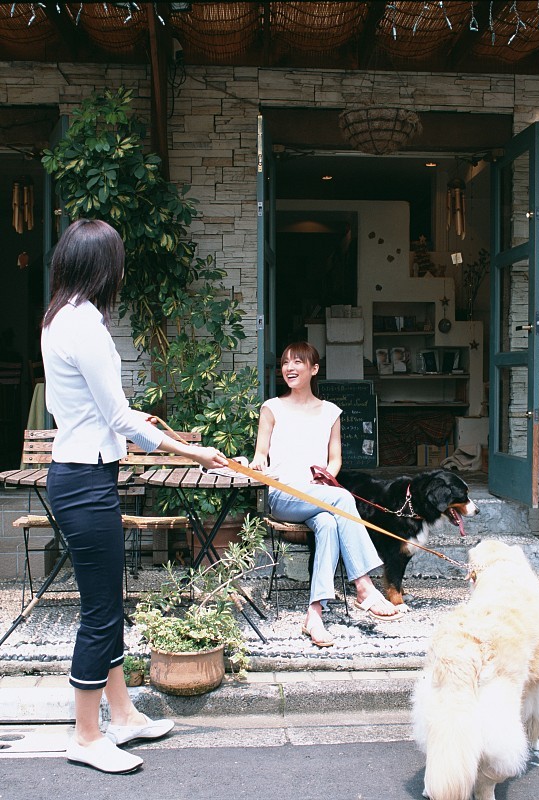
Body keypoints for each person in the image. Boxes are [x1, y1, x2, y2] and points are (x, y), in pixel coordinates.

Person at [41, 219, 228, 774]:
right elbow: (119, 417)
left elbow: (87, 409)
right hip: (84, 480)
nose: (120, 271)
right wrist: (194, 452)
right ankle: (85, 734)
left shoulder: (58, 318)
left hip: (79, 474)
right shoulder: (88, 327)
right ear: (104, 267)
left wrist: (123, 425)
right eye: (117, 260)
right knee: (100, 611)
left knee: (107, 602)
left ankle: (121, 716)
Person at [250, 341, 402, 648]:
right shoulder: (271, 408)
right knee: (343, 498)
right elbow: (259, 456)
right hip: (284, 496)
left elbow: (335, 460)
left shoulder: (330, 412)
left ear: (314, 369)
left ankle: (314, 614)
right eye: (285, 363)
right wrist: (256, 466)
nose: (289, 368)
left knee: (330, 523)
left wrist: (325, 478)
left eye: (297, 363)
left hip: (319, 495)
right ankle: (363, 586)